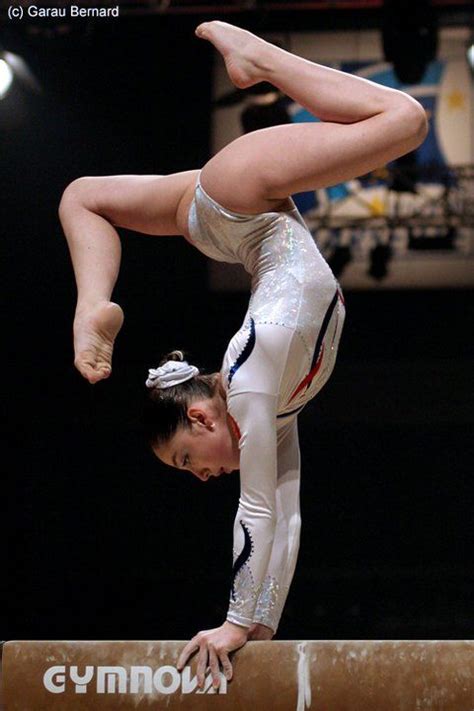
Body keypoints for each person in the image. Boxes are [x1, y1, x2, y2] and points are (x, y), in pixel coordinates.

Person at [58, 20, 428, 689]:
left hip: (238, 202)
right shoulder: (273, 406)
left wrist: (230, 620)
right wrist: (260, 629)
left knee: (404, 118)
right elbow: (285, 513)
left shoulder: (250, 381)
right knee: (81, 196)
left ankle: (257, 56)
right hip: (232, 224)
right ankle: (92, 303)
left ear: (202, 418)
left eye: (184, 460)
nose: (198, 476)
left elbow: (253, 509)